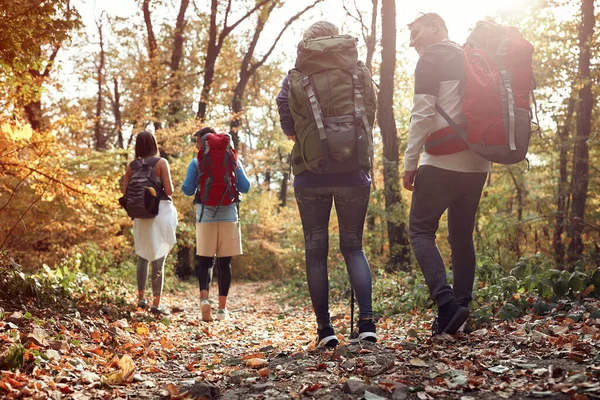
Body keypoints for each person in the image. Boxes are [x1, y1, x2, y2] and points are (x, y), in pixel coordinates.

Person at [276, 21, 377, 347]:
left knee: (316, 250)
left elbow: (287, 121)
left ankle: (325, 332)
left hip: (311, 174)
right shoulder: (359, 73)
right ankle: (367, 325)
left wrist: (308, 138)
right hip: (353, 173)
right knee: (353, 246)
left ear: (307, 43)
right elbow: (369, 116)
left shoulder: (295, 77)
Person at [403, 13, 491, 335]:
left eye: (416, 32)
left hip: (441, 161)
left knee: (420, 231)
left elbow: (423, 113)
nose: (412, 41)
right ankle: (461, 311)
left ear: (436, 26)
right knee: (461, 236)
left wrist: (409, 161)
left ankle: (447, 304)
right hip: (479, 162)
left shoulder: (433, 58)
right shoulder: (473, 59)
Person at [181, 127, 250, 322]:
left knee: (205, 262)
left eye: (197, 143)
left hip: (205, 217)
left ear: (203, 143)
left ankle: (204, 300)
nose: (196, 146)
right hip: (229, 216)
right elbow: (246, 186)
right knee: (224, 263)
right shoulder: (233, 160)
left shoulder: (196, 162)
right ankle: (222, 310)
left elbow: (187, 190)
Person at [122, 131, 178, 316]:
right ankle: (156, 303)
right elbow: (168, 190)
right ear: (154, 144)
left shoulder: (131, 166)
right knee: (159, 257)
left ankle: (140, 299)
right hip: (160, 212)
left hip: (140, 215)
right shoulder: (161, 163)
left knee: (143, 256)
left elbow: (125, 194)